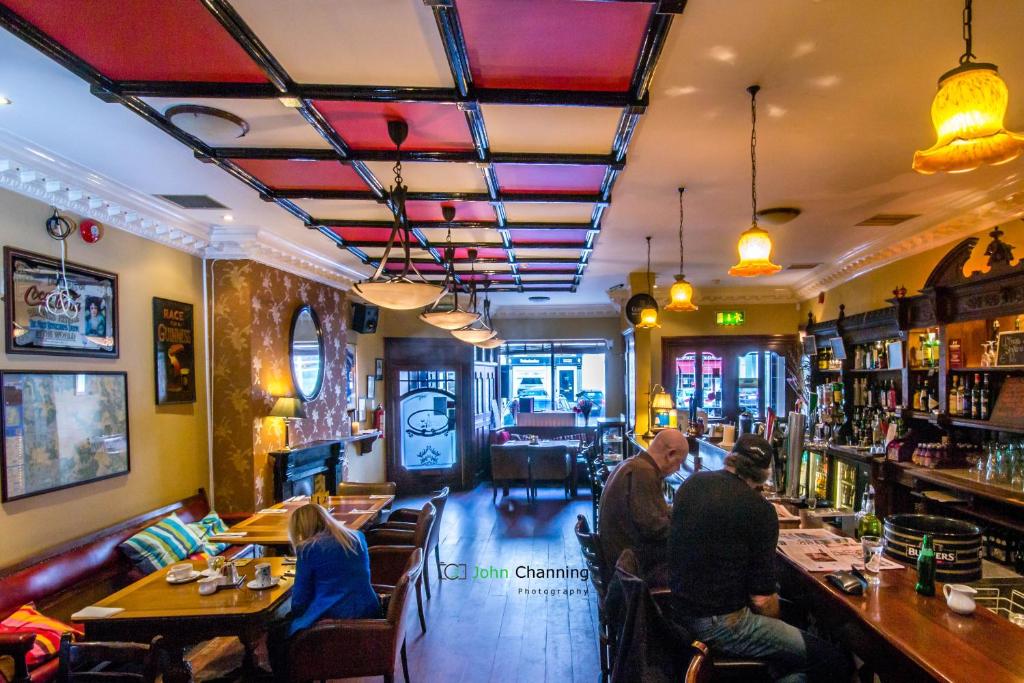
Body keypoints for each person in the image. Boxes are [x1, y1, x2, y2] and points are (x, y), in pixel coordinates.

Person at [667, 434, 849, 683]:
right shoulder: (760, 510)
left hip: (678, 613)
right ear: (764, 475)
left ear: (731, 458)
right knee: (832, 661)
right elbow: (762, 600)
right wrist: (778, 625)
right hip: (722, 625)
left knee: (794, 621)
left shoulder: (693, 484)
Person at [268, 504, 380, 680]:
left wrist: (295, 615)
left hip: (335, 617)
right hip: (369, 609)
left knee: (276, 635)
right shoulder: (357, 537)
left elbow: (300, 601)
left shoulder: (308, 549)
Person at [598, 429, 687, 576]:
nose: (678, 469)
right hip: (627, 565)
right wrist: (686, 526)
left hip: (618, 554)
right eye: (679, 463)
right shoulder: (644, 472)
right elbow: (655, 529)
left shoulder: (633, 463)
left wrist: (673, 512)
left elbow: (649, 516)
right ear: (670, 454)